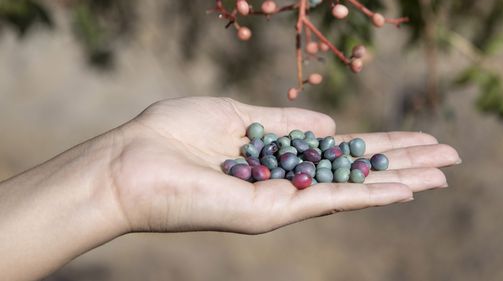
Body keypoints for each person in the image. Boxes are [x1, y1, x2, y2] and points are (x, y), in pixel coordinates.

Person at [0, 97, 461, 280]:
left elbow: (305, 160)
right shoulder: (276, 157)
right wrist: (113, 177)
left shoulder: (298, 157)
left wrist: (111, 175)